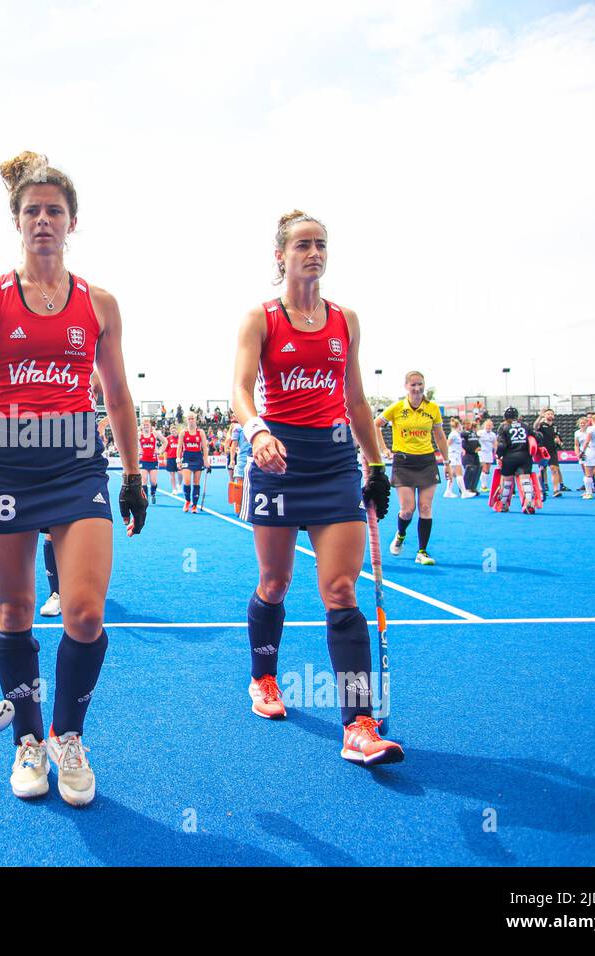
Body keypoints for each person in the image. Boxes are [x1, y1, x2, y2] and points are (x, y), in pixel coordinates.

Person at [0, 151, 148, 806]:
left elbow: (117, 397)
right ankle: (28, 739)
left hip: (76, 463)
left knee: (85, 614)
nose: (43, 220)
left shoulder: (100, 303)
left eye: (54, 210)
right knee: (14, 612)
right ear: (17, 221)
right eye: (31, 210)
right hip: (6, 461)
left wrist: (135, 472)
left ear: (72, 221)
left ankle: (69, 736)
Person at [233, 209, 402, 765]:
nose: (314, 253)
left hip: (333, 467)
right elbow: (239, 390)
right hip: (277, 463)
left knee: (341, 591)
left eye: (321, 244)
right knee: (276, 582)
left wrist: (376, 467)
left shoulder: (345, 320)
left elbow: (355, 399)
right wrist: (256, 432)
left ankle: (357, 722)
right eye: (303, 244)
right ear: (280, 256)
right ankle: (263, 678)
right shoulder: (261, 319)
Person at [375, 371, 445, 565]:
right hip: (403, 462)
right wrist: (384, 449)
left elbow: (439, 436)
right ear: (406, 386)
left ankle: (422, 551)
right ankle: (401, 534)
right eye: (413, 385)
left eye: (420, 384)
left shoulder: (432, 409)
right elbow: (376, 425)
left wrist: (447, 462)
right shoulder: (397, 408)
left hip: (427, 461)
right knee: (407, 510)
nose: (417, 388)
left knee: (425, 507)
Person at [493, 407, 537, 513]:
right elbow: (536, 438)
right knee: (525, 480)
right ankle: (529, 502)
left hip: (510, 457)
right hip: (525, 456)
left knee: (507, 481)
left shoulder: (503, 427)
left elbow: (502, 445)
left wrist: (499, 456)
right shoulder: (525, 425)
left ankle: (503, 504)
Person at [178, 411, 210, 513]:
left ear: (196, 420)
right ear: (186, 420)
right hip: (187, 457)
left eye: (193, 418)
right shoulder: (183, 432)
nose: (191, 420)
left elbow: (204, 447)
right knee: (186, 481)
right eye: (189, 418)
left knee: (196, 483)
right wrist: (178, 460)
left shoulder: (200, 432)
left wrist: (206, 461)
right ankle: (187, 501)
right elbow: (179, 447)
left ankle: (195, 505)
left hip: (197, 458)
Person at [533, 409, 565, 497]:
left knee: (554, 469)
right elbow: (535, 427)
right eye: (548, 414)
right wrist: (540, 416)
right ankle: (541, 488)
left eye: (552, 414)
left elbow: (559, 439)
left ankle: (556, 490)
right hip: (543, 450)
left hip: (552, 450)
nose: (550, 415)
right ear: (545, 415)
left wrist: (558, 442)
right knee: (542, 469)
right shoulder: (541, 425)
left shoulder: (555, 427)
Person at [136, 416, 160, 504]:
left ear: (150, 425)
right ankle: (145, 498)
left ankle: (153, 493)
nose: (146, 426)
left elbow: (165, 441)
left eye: (147, 424)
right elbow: (132, 442)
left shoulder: (154, 434)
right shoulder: (139, 435)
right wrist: (138, 450)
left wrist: (159, 450)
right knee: (144, 480)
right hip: (143, 460)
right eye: (144, 425)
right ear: (142, 426)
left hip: (153, 460)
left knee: (153, 481)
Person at [477, 418, 497, 492]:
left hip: (489, 453)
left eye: (490, 425)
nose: (489, 427)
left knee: (488, 470)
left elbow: (495, 444)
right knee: (484, 469)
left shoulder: (493, 434)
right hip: (482, 452)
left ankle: (484, 484)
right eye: (487, 425)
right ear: (485, 426)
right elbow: (476, 440)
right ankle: (483, 486)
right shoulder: (480, 433)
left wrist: (496, 452)